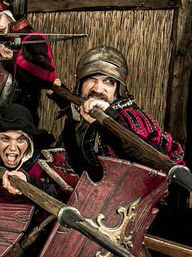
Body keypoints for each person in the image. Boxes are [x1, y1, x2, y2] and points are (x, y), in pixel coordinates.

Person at [56, 46, 185, 180]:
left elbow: (149, 159)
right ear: (80, 82)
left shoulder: (130, 117)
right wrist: (59, 95)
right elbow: (77, 121)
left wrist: (109, 121)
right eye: (91, 79)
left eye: (108, 82)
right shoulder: (84, 107)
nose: (98, 89)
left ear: (118, 87)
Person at [0, 103, 76, 200]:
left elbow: (69, 197)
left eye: (20, 140)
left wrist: (29, 181)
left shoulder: (49, 161)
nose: (12, 148)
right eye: (5, 139)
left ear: (29, 142)